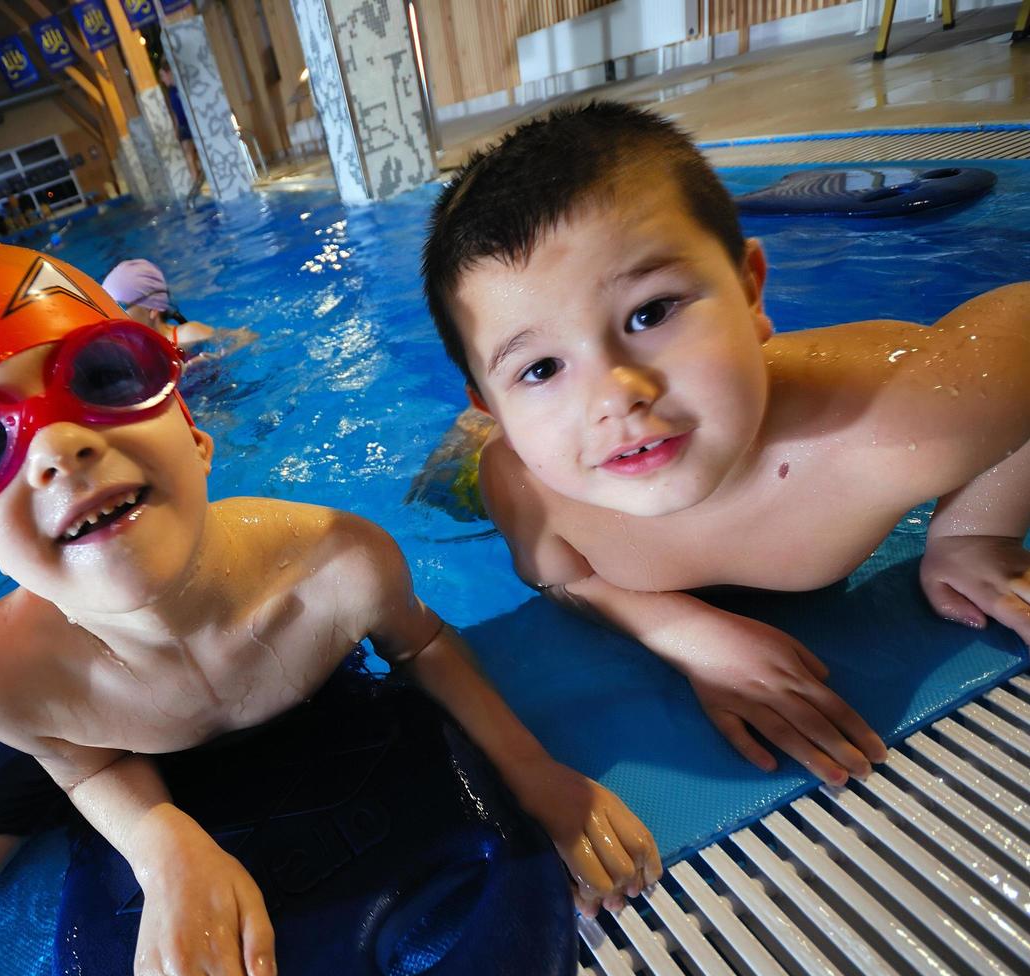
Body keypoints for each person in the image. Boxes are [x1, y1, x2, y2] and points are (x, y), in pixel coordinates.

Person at [0, 244, 659, 976]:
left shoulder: (335, 567)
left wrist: (532, 771)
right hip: (84, 701)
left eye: (105, 379)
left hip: (259, 675)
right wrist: (162, 850)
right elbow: (84, 766)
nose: (58, 447)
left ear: (196, 436)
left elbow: (424, 647)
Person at [421, 100, 1030, 789]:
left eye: (649, 313)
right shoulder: (528, 485)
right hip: (514, 453)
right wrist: (680, 633)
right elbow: (560, 576)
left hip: (816, 379)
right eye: (541, 369)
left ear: (749, 289)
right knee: (443, 492)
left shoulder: (898, 429)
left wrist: (977, 533)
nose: (615, 396)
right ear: (492, 404)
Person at [102, 257, 253, 356]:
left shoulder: (188, 335)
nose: (111, 315)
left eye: (120, 306)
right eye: (105, 306)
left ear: (152, 309)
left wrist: (215, 358)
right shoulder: (125, 352)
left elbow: (247, 337)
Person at [160, 63, 203, 196]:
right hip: (183, 125)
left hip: (192, 122)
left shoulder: (180, 86)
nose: (162, 79)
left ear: (169, 73)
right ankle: (196, 184)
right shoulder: (171, 91)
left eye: (163, 75)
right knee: (188, 155)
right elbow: (174, 112)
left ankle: (203, 177)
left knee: (198, 152)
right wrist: (176, 128)